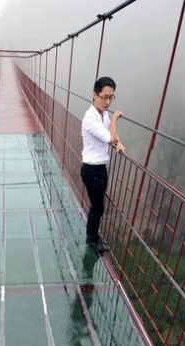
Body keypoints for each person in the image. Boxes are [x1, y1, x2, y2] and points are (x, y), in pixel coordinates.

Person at [80, 76, 125, 253]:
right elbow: (110, 136)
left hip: (100, 168)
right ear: (94, 95)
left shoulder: (102, 114)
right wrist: (115, 119)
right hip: (91, 170)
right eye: (104, 97)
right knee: (97, 207)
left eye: (111, 97)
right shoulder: (90, 118)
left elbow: (112, 135)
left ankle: (93, 236)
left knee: (98, 205)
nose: (107, 101)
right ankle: (92, 239)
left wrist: (118, 143)